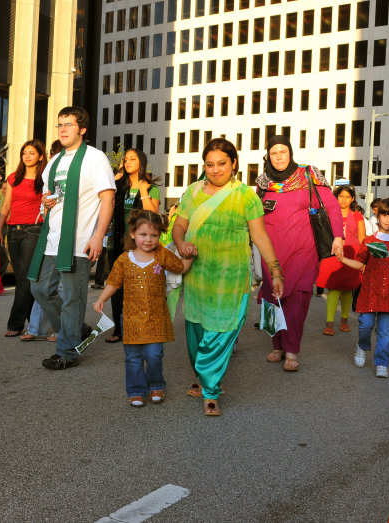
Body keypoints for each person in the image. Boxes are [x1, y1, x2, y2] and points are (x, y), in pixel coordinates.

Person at [173, 138, 283, 416]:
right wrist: (181, 243)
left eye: (222, 163)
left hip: (232, 279)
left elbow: (259, 235)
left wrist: (275, 269)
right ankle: (203, 379)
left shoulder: (246, 195)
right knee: (196, 332)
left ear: (234, 163)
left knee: (221, 332)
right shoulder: (193, 191)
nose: (215, 169)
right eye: (209, 164)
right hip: (197, 276)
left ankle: (210, 390)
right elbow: (180, 225)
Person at [29, 106, 116, 370]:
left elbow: (108, 197)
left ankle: (67, 352)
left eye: (68, 124)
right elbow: (52, 195)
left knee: (71, 298)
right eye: (60, 125)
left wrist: (98, 236)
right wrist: (47, 201)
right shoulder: (54, 162)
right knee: (40, 289)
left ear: (82, 129)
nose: (63, 129)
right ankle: (77, 328)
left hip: (79, 242)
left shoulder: (94, 158)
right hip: (53, 239)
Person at [256, 135, 344, 371]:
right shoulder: (263, 182)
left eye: (283, 151)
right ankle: (277, 345)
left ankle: (292, 350)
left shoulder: (309, 175)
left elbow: (332, 206)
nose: (279, 157)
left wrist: (338, 237)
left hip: (303, 249)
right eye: (274, 153)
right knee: (271, 297)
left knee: (297, 299)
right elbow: (254, 215)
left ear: (291, 152)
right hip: (271, 252)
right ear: (268, 156)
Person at [94, 210, 191, 407]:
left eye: (154, 235)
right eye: (143, 234)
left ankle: (156, 384)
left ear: (159, 236)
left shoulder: (162, 254)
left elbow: (179, 267)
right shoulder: (124, 259)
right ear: (132, 234)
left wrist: (190, 255)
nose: (148, 239)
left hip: (156, 317)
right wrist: (102, 298)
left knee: (154, 354)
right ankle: (136, 390)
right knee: (133, 357)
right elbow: (113, 282)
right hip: (131, 318)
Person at [335, 198, 389, 378]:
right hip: (369, 292)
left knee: (385, 331)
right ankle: (362, 347)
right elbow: (360, 263)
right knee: (365, 325)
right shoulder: (369, 241)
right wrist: (344, 259)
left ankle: (382, 363)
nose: (388, 220)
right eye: (384, 215)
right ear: (377, 216)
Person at [106, 148, 161, 343]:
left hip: (139, 246)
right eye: (125, 159)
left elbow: (153, 216)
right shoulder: (118, 186)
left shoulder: (150, 187)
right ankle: (119, 329)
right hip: (117, 242)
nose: (127, 161)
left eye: (132, 158)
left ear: (141, 162)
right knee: (116, 286)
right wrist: (113, 181)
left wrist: (144, 192)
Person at [0, 139, 47, 336]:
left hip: (34, 230)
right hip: (13, 231)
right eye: (24, 152)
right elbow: (5, 207)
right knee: (22, 278)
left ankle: (15, 324)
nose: (27, 156)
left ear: (40, 156)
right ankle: (36, 323)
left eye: (32, 153)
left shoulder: (44, 179)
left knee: (24, 278)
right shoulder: (13, 178)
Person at [316, 185, 365, 335]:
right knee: (333, 288)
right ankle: (329, 323)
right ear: (335, 197)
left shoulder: (357, 216)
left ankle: (344, 321)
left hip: (352, 253)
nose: (343, 200)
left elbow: (362, 238)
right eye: (340, 196)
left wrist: (365, 259)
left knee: (347, 289)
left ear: (352, 199)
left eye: (347, 197)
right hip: (332, 254)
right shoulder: (328, 213)